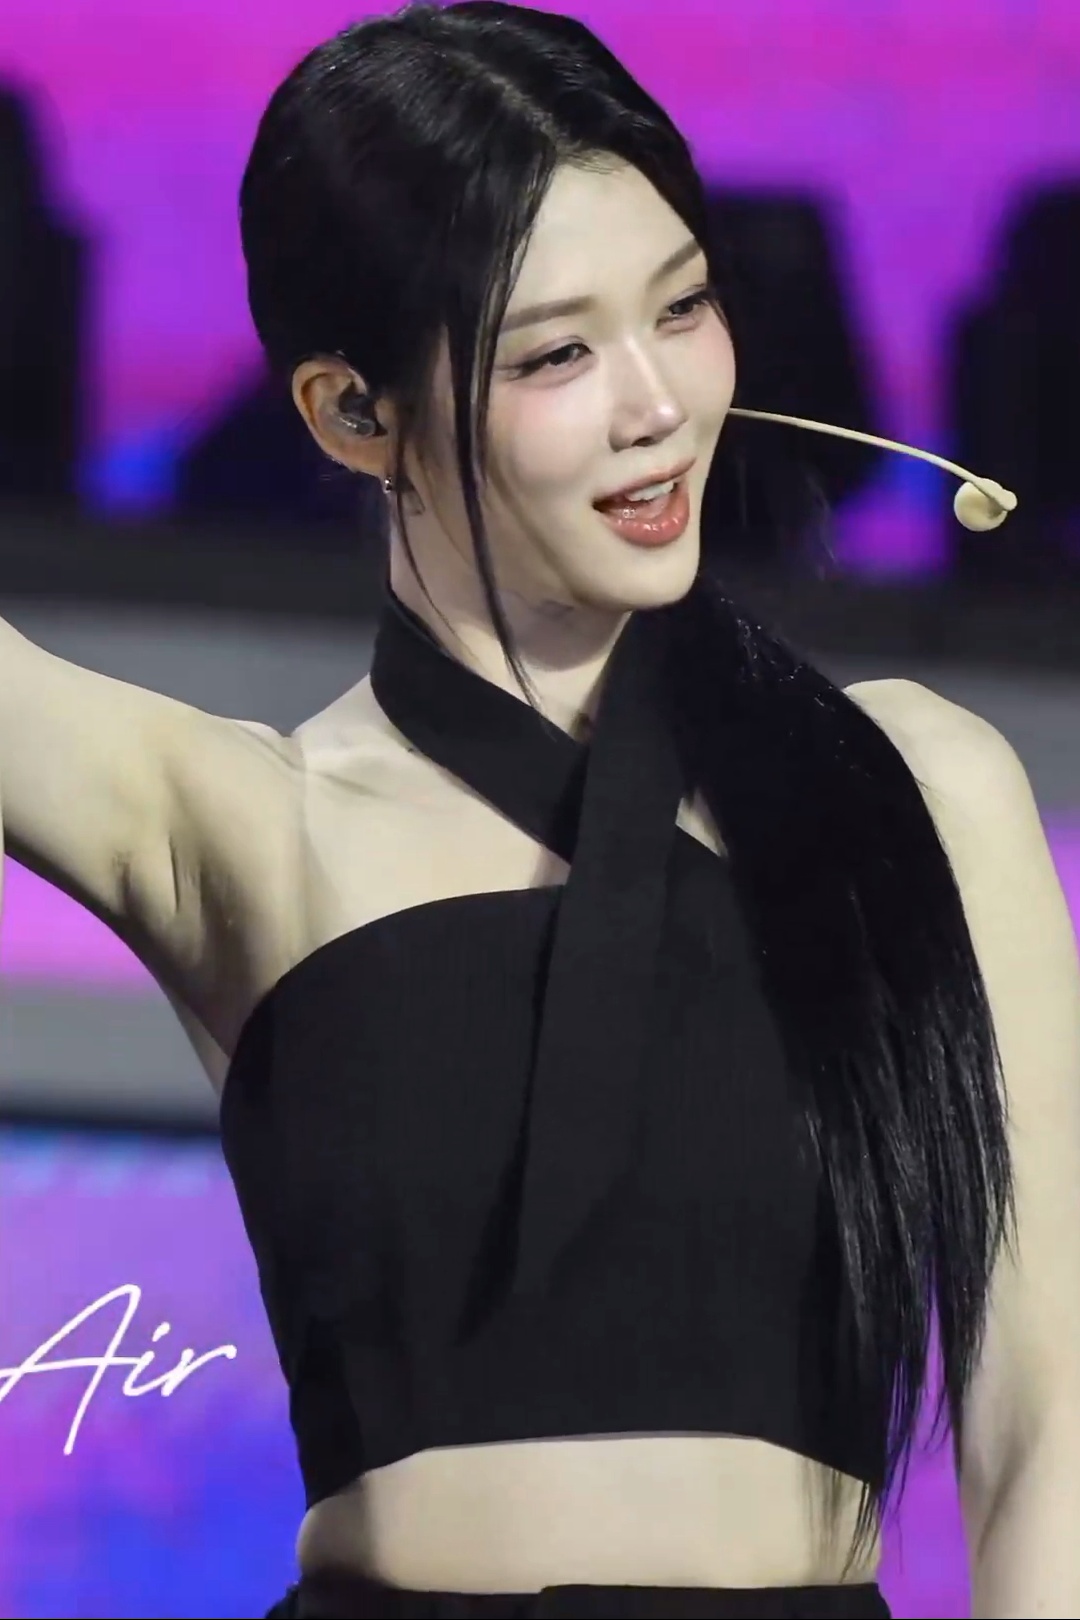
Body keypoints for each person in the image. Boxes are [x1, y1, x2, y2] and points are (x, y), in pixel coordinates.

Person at [2, 5, 1079, 1617]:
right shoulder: (238, 822)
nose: (658, 405)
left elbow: (1050, 1428)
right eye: (556, 353)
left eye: (684, 306)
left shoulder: (915, 784)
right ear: (352, 414)